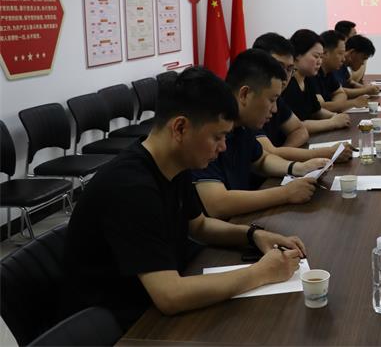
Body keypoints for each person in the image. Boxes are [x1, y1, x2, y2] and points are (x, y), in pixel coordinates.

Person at [59, 67, 306, 330]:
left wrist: (254, 235)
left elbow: (200, 225)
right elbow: (170, 296)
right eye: (217, 136)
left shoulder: (173, 164)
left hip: (151, 300)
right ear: (180, 128)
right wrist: (260, 273)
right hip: (116, 325)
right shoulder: (130, 186)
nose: (223, 147)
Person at [192, 50, 329, 219]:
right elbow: (217, 204)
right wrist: (286, 193)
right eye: (272, 100)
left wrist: (299, 168)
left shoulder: (243, 125)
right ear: (244, 94)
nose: (275, 109)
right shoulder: (208, 129)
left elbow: (261, 160)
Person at [252, 32, 354, 164]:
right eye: (278, 67)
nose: (284, 76)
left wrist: (282, 155)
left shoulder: (280, 96)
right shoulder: (251, 102)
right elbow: (269, 152)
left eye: (289, 69)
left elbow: (300, 130)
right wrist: (327, 152)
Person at [282, 29, 351, 134]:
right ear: (297, 55)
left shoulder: (308, 79)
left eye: (321, 57)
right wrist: (333, 122)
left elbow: (317, 111)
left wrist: (335, 116)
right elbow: (296, 125)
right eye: (316, 56)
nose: (319, 62)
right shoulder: (287, 84)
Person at [315, 30, 370, 112]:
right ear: (325, 53)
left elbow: (341, 93)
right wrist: (353, 103)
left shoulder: (329, 72)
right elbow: (320, 107)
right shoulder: (312, 74)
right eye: (340, 53)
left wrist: (335, 106)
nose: (344, 59)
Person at [334, 34, 381, 99]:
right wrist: (366, 90)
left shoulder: (343, 66)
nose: (363, 63)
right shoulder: (334, 66)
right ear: (352, 53)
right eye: (363, 58)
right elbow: (337, 91)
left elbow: (350, 82)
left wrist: (366, 87)